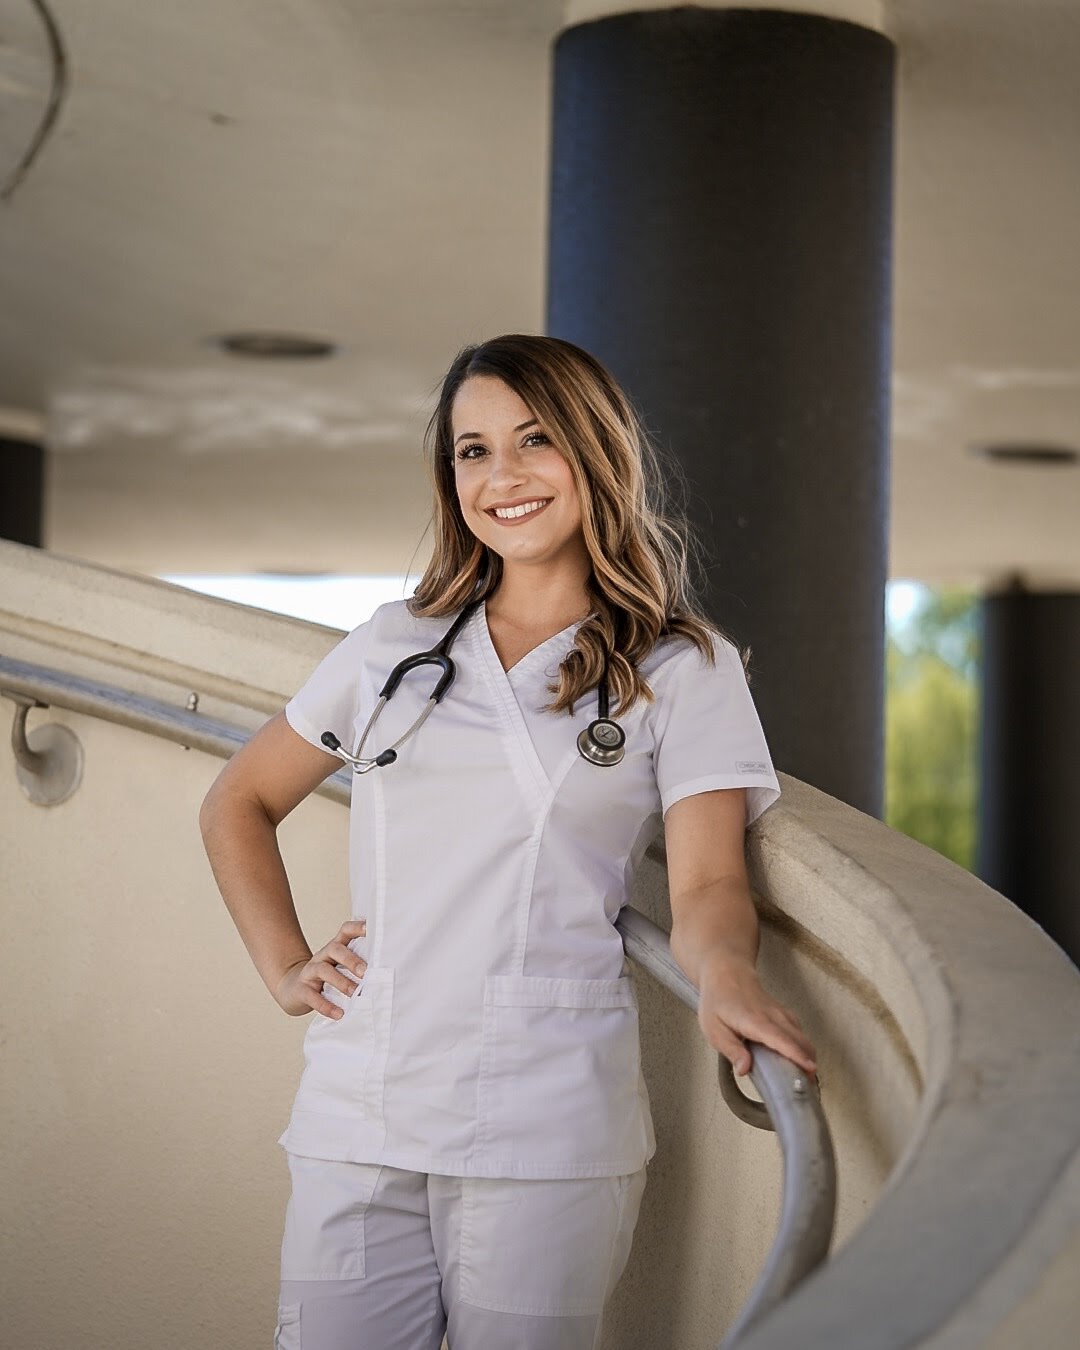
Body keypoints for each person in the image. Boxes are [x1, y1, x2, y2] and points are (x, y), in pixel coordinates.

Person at [199, 333, 817, 1350]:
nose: (503, 475)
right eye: (471, 451)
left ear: (594, 452)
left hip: (546, 1119)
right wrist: (283, 966)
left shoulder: (681, 668)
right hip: (363, 1105)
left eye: (534, 440)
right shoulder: (393, 645)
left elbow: (708, 882)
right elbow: (238, 800)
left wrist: (728, 975)